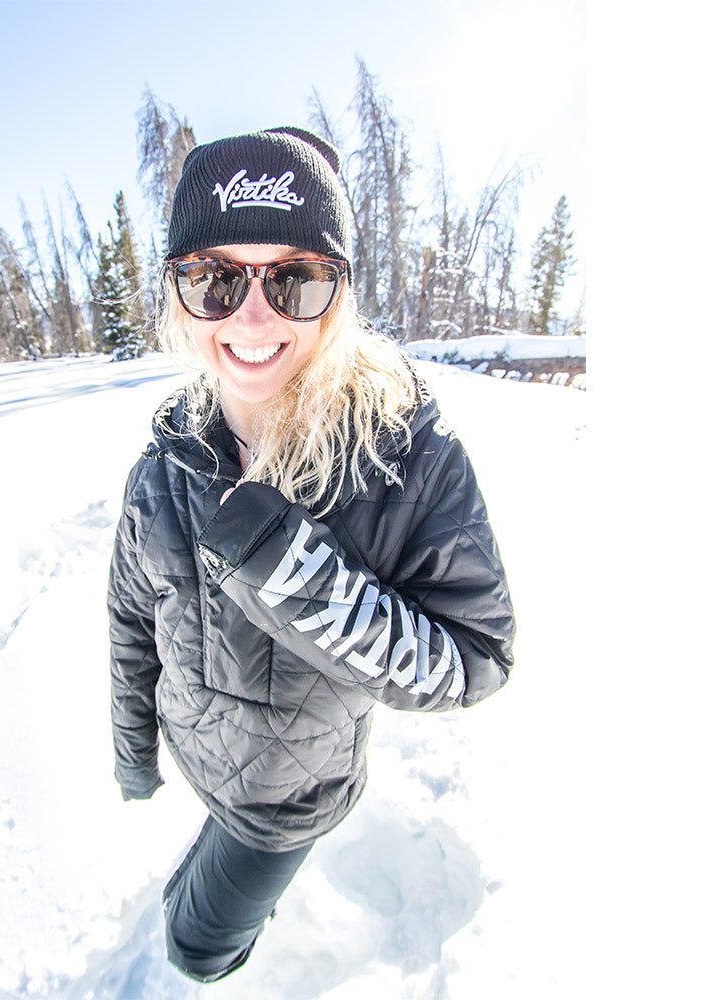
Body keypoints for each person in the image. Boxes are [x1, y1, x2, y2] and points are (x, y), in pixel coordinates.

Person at [108, 126, 516, 983]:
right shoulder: (161, 468)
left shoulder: (399, 457)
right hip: (197, 751)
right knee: (204, 869)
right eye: (215, 279)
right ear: (178, 294)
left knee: (195, 951)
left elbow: (476, 658)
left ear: (339, 293)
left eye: (295, 278)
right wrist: (134, 753)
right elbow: (131, 628)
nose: (253, 317)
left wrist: (297, 576)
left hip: (288, 799)